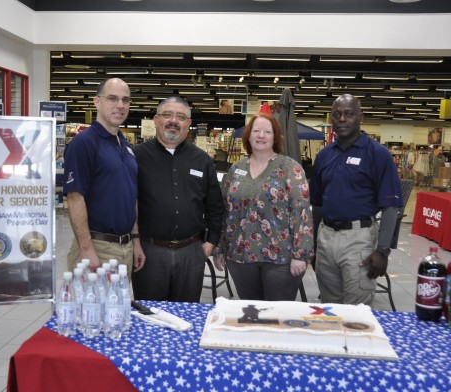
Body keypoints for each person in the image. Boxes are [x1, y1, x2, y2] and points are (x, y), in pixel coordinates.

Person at [309, 94, 403, 306]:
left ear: (360, 117)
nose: (342, 119)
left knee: (356, 312)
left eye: (349, 114)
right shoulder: (324, 156)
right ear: (331, 119)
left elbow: (391, 207)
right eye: (337, 114)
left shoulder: (378, 154)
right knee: (330, 308)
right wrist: (315, 246)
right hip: (326, 238)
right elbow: (318, 205)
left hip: (358, 239)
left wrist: (382, 250)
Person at [213, 113, 314, 301]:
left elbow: (302, 213)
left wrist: (300, 254)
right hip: (240, 256)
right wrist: (220, 248)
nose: (261, 135)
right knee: (250, 312)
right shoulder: (236, 169)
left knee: (277, 315)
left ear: (275, 137)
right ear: (248, 136)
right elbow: (225, 211)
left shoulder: (289, 168)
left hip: (280, 259)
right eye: (256, 131)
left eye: (267, 131)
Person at [133, 96, 224, 302]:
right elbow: (128, 203)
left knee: (187, 313)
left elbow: (214, 206)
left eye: (181, 117)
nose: (174, 121)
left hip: (191, 252)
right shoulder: (136, 157)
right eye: (167, 115)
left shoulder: (201, 160)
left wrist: (210, 243)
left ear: (188, 124)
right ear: (156, 119)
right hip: (149, 251)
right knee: (150, 314)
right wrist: (134, 241)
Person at [62, 78, 145, 275]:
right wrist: (85, 248)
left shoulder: (125, 146)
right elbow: (75, 197)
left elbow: (130, 195)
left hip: (125, 246)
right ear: (97, 102)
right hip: (98, 246)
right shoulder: (84, 143)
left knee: (120, 305)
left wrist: (135, 240)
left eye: (126, 100)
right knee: (95, 306)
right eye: (112, 98)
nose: (120, 105)